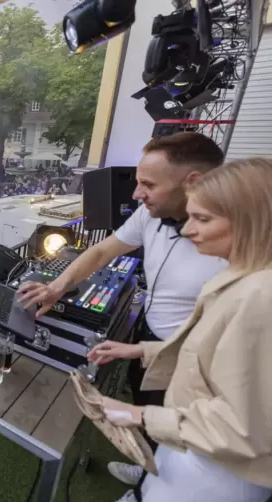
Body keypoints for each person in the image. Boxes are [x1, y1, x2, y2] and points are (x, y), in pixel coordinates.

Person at [18, 132, 228, 486]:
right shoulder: (151, 215)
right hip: (147, 339)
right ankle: (149, 470)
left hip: (196, 363)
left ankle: (158, 485)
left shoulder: (240, 249)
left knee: (184, 439)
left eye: (148, 183)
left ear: (193, 182)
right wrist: (57, 287)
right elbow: (101, 252)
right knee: (148, 407)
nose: (135, 194)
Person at [88, 158, 272, 502]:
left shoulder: (262, 297)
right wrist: (142, 350)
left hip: (218, 477)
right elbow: (214, 355)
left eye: (201, 219)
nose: (186, 231)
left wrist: (138, 414)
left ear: (252, 221)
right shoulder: (247, 277)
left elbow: (247, 428)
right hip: (194, 454)